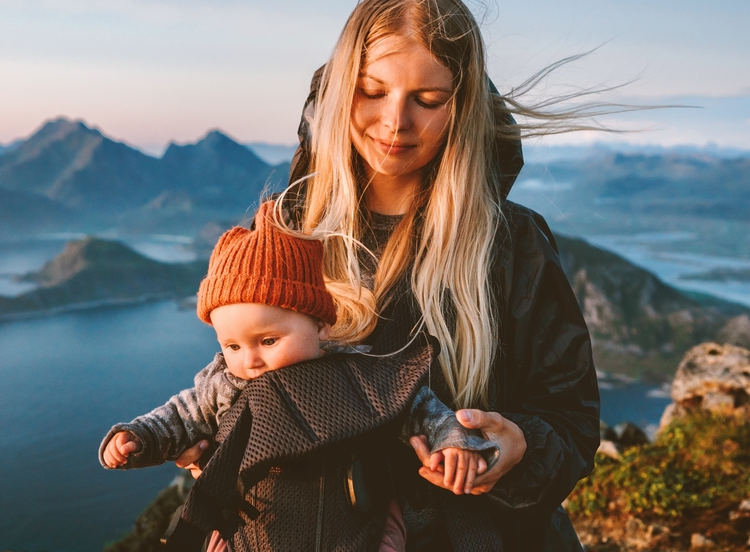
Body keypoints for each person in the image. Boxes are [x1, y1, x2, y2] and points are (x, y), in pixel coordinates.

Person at [173, 0, 601, 551]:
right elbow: (244, 377)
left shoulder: (511, 243)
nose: (395, 121)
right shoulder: (286, 230)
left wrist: (518, 446)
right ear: (339, 89)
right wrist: (222, 457)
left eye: (428, 100)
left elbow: (570, 418)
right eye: (371, 90)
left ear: (464, 106)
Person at [100, 201, 500, 552]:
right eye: (233, 346)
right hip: (255, 532)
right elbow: (179, 416)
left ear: (321, 325)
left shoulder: (358, 372)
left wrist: (453, 444)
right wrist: (138, 438)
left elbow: (422, 411)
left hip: (356, 532)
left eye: (268, 340)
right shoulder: (224, 383)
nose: (250, 360)